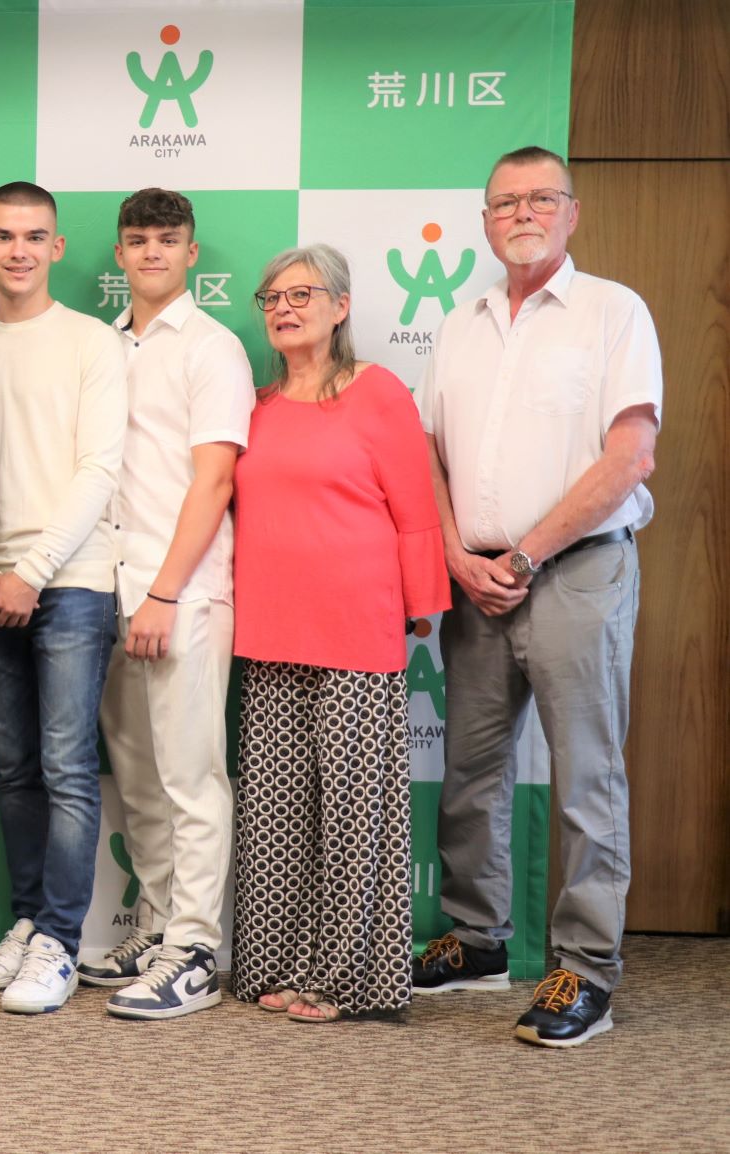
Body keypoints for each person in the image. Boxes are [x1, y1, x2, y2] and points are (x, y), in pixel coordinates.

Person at [414, 146, 661, 1049]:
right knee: (471, 774)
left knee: (584, 777)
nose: (522, 212)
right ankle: (477, 939)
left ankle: (585, 968)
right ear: (485, 221)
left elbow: (628, 457)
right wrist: (454, 550)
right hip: (474, 579)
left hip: (575, 572)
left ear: (572, 212)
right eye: (505, 201)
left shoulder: (612, 313)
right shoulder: (459, 323)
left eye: (540, 198)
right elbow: (429, 455)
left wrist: (523, 555)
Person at [230, 244, 449, 1022]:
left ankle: (349, 981)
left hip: (357, 627)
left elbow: (415, 506)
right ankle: (278, 964)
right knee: (279, 812)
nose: (284, 308)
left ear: (341, 306)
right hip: (266, 631)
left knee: (357, 811)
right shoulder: (252, 405)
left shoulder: (378, 391)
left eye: (303, 294)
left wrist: (422, 606)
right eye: (271, 297)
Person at [0, 182, 124, 1015]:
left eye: (35, 235)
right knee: (16, 768)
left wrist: (34, 569)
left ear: (58, 248)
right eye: (4, 235)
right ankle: (26, 923)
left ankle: (61, 938)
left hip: (74, 583)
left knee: (65, 768)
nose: (19, 248)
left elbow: (98, 470)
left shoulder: (94, 343)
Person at [88, 188, 254, 1021]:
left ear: (192, 254)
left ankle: (193, 948)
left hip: (177, 592)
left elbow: (216, 479)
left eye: (168, 240)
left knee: (191, 774)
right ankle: (153, 926)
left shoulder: (212, 347)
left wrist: (162, 592)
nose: (151, 252)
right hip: (107, 586)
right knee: (139, 776)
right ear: (118, 254)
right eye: (137, 239)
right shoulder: (106, 345)